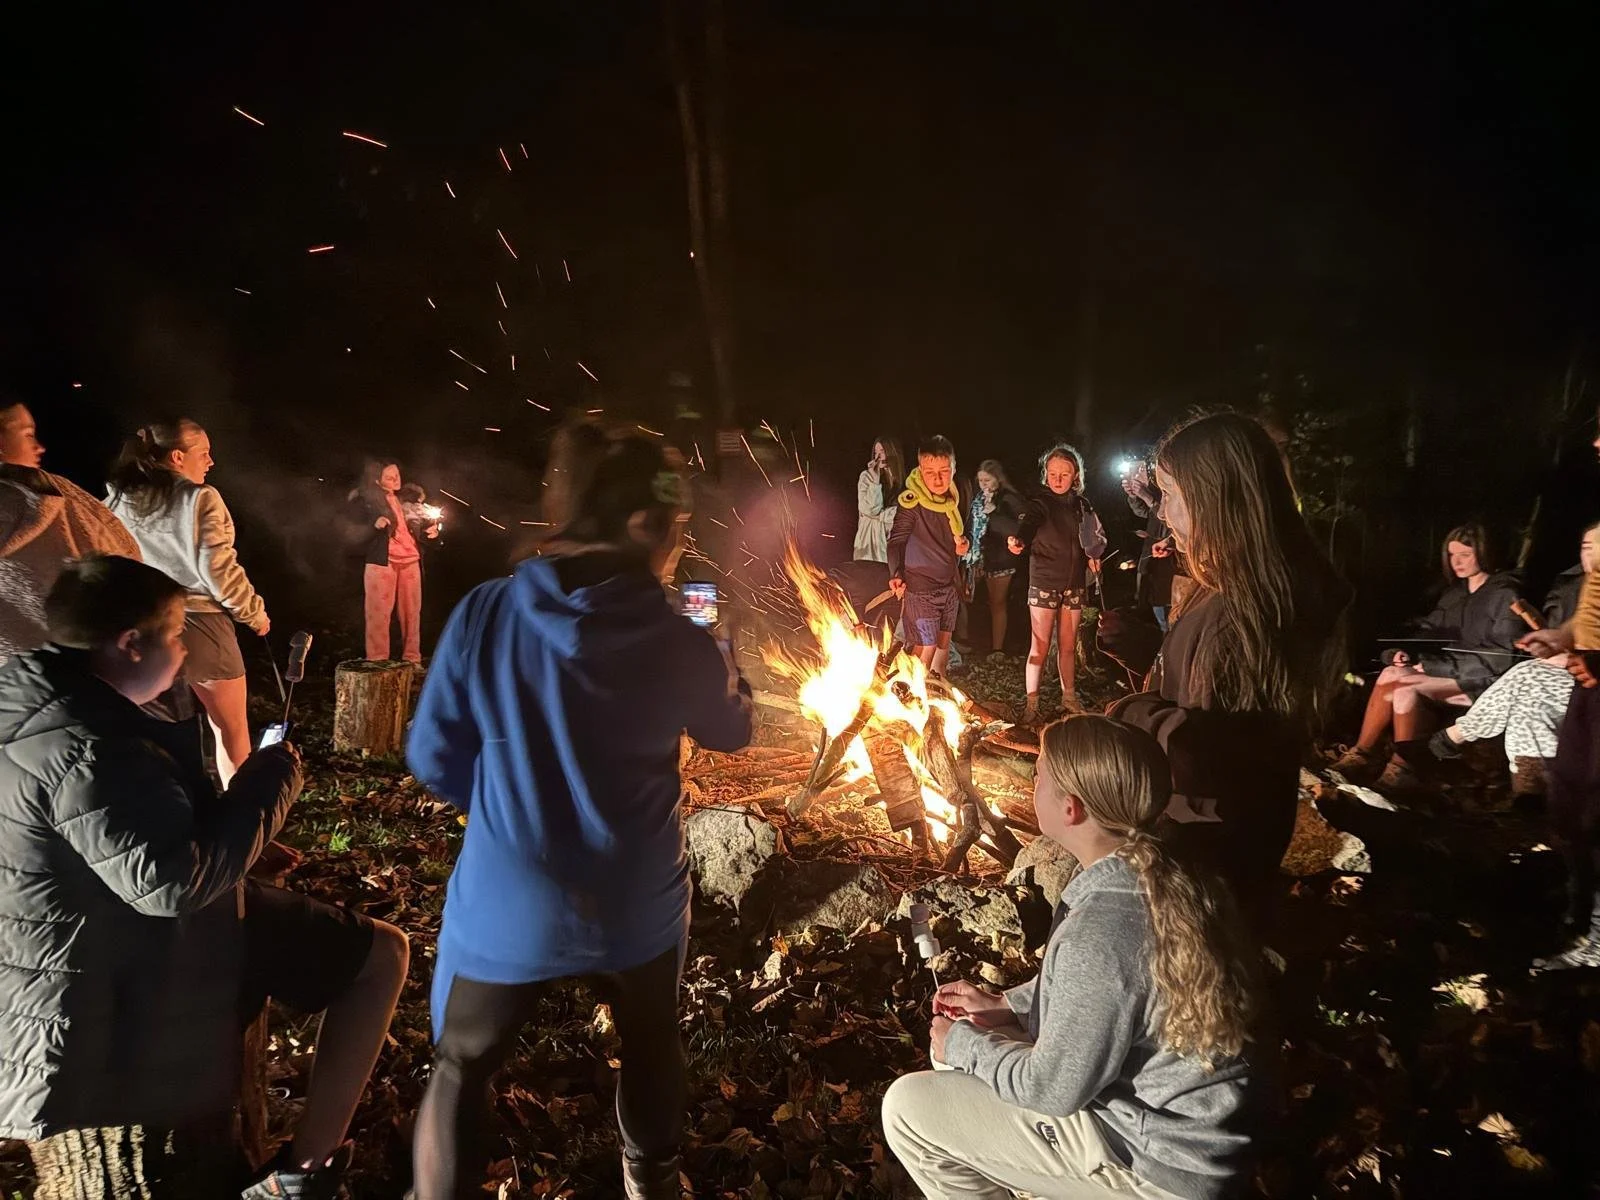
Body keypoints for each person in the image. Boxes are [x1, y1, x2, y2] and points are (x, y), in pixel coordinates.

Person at [406, 425, 754, 1200]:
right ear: (643, 525)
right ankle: (650, 1181)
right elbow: (731, 731)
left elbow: (431, 753)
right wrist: (726, 661)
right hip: (633, 896)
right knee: (651, 1037)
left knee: (461, 1062)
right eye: (676, 527)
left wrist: (504, 809)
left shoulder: (487, 612)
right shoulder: (678, 639)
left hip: (512, 895)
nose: (678, 544)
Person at [0, 556, 407, 1200]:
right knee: (380, 955)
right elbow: (170, 886)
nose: (186, 650)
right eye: (176, 633)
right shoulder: (91, 744)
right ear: (131, 643)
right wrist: (269, 781)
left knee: (372, 948)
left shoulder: (28, 694)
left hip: (81, 935)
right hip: (103, 980)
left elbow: (111, 836)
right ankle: (303, 1175)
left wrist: (235, 843)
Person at [883, 715, 1259, 1200]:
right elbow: (1116, 993)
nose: (1031, 784)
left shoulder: (1103, 928)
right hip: (1195, 1137)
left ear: (1071, 808)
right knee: (964, 1060)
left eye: (1039, 775)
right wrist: (1008, 1006)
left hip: (1157, 1168)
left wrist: (963, 1045)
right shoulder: (1169, 875)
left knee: (908, 1107)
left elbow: (1053, 1088)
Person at [1109, 412, 1348, 916]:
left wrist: (1132, 715)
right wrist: (1146, 650)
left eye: (1170, 494)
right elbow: (1217, 700)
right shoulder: (1237, 591)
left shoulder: (1238, 617)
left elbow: (1210, 757)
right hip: (1227, 850)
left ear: (1215, 500)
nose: (1164, 513)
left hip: (1206, 862)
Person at [106, 419, 269, 786]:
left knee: (160, 736)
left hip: (144, 629)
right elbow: (218, 569)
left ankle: (171, 809)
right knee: (230, 730)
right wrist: (253, 613)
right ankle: (242, 811)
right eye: (204, 453)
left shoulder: (117, 500)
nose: (210, 461)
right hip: (202, 625)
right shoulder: (199, 498)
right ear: (177, 457)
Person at [1332, 523, 1524, 791]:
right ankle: (1361, 754)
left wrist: (1434, 667)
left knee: (1407, 686)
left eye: (1465, 555)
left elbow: (1499, 659)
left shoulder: (1505, 594)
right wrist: (1401, 654)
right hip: (1450, 672)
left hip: (1487, 681)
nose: (1456, 562)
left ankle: (1404, 768)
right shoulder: (1455, 595)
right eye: (1452, 554)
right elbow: (1429, 632)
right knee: (1391, 673)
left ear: (1484, 552)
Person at [1429, 521, 1600, 795]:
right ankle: (1530, 792)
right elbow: (1582, 625)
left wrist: (1584, 659)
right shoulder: (1582, 585)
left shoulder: (1502, 591)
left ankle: (1457, 737)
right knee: (1529, 704)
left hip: (1587, 679)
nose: (1591, 554)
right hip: (1576, 676)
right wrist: (1555, 639)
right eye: (1586, 546)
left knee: (1527, 676)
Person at [1, 402, 141, 662]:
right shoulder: (44, 503)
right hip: (81, 669)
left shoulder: (47, 497)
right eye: (28, 434)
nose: (39, 447)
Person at [1008, 444, 1107, 721]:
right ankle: (1032, 705)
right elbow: (1028, 525)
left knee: (1068, 646)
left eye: (1064, 474)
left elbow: (1091, 538)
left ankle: (1069, 699)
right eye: (1053, 474)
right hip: (1044, 582)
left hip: (1074, 584)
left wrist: (1093, 558)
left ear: (1075, 475)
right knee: (1039, 646)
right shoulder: (1041, 504)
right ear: (1046, 474)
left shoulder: (1082, 505)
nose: (1058, 479)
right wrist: (1019, 540)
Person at [889, 435, 970, 677]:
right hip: (920, 587)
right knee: (925, 648)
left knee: (942, 651)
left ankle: (936, 691)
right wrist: (896, 573)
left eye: (944, 471)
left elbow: (964, 532)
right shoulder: (911, 502)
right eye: (930, 472)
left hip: (949, 584)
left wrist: (964, 546)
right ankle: (906, 691)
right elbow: (896, 540)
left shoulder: (958, 495)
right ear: (920, 469)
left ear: (953, 468)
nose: (937, 479)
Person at [351, 460, 439, 664]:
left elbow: (420, 530)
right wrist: (373, 525)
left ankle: (412, 658)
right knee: (378, 613)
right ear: (377, 480)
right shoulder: (367, 500)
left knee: (411, 613)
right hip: (382, 561)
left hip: (411, 560)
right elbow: (352, 529)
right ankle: (377, 660)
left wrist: (432, 534)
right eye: (389, 477)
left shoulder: (408, 500)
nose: (395, 480)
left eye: (397, 476)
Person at [965, 459, 1025, 656]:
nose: (984, 484)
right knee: (970, 597)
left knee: (997, 602)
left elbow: (1020, 529)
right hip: (978, 556)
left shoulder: (1009, 499)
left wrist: (995, 515)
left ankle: (998, 648)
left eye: (988, 480)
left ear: (998, 479)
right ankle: (970, 640)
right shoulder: (978, 499)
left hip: (1000, 558)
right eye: (980, 480)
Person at [1122, 460, 1176, 631]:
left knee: (1172, 618)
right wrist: (1134, 496)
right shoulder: (1157, 491)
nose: (1139, 475)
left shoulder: (1173, 491)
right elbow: (1143, 512)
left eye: (1142, 470)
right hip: (1152, 559)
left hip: (1170, 562)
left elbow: (1166, 517)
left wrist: (1148, 498)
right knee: (1158, 613)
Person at [854, 436, 904, 563]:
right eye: (876, 452)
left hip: (890, 546)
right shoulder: (867, 477)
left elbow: (901, 514)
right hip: (869, 547)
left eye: (882, 451)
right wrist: (875, 481)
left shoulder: (903, 482)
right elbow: (870, 510)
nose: (878, 456)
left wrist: (879, 517)